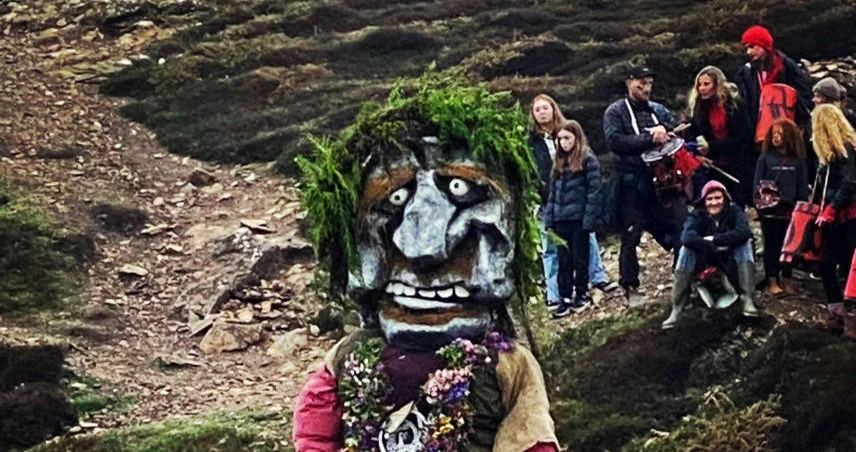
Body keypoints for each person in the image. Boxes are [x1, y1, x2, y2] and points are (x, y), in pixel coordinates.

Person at [294, 78, 558, 451]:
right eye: (395, 198)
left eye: (461, 191)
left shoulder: (507, 366)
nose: (424, 248)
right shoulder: (348, 356)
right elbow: (316, 432)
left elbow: (530, 438)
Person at [603, 64, 684, 306]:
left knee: (681, 226)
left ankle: (684, 276)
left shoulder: (658, 110)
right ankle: (630, 285)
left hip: (663, 181)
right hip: (631, 182)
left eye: (649, 83)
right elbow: (615, 141)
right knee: (631, 235)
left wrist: (670, 133)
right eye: (640, 83)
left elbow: (675, 131)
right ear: (629, 83)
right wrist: (649, 138)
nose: (646, 88)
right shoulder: (615, 112)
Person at [528, 95, 614, 312]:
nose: (542, 112)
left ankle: (595, 279)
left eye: (545, 107)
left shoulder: (572, 135)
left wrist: (590, 212)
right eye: (537, 109)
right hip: (551, 204)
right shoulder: (530, 142)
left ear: (553, 108)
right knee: (553, 250)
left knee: (586, 245)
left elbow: (593, 183)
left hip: (578, 207)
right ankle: (556, 294)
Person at [662, 180, 759, 329]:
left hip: (731, 261)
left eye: (718, 198)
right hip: (705, 261)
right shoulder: (696, 215)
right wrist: (710, 245)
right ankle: (677, 307)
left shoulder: (734, 211)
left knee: (745, 244)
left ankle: (747, 298)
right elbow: (687, 237)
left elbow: (744, 232)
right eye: (710, 199)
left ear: (725, 199)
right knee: (685, 250)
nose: (714, 203)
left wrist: (716, 239)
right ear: (704, 201)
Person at [543, 120, 601, 317]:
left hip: (578, 219)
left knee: (580, 259)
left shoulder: (588, 160)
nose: (563, 143)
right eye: (560, 139)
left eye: (567, 138)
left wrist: (588, 219)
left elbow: (594, 191)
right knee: (563, 260)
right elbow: (552, 193)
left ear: (577, 138)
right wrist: (549, 219)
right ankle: (564, 296)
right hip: (560, 220)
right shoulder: (558, 164)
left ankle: (582, 293)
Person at [753, 118, 808, 295]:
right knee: (771, 245)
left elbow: (802, 186)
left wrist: (802, 209)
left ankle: (787, 278)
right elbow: (756, 184)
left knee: (789, 247)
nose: (776, 137)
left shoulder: (798, 161)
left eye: (780, 133)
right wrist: (758, 206)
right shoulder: (765, 158)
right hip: (769, 210)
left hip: (790, 211)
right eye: (774, 133)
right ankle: (772, 280)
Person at [685, 66, 753, 206]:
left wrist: (712, 147)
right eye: (699, 85)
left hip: (736, 163)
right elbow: (694, 134)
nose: (702, 88)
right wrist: (697, 156)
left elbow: (745, 136)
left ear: (717, 85)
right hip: (712, 167)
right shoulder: (699, 108)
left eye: (706, 84)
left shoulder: (734, 105)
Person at [812, 104, 856, 310]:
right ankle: (839, 309)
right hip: (840, 213)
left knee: (841, 262)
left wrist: (831, 207)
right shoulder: (836, 153)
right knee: (831, 263)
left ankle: (842, 310)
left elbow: (849, 183)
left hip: (846, 213)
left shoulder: (844, 149)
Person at [734, 25, 812, 133]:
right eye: (747, 48)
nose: (748, 52)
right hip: (760, 131)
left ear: (764, 45)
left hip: (788, 130)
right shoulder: (747, 73)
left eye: (752, 46)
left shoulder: (787, 67)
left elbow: (803, 98)